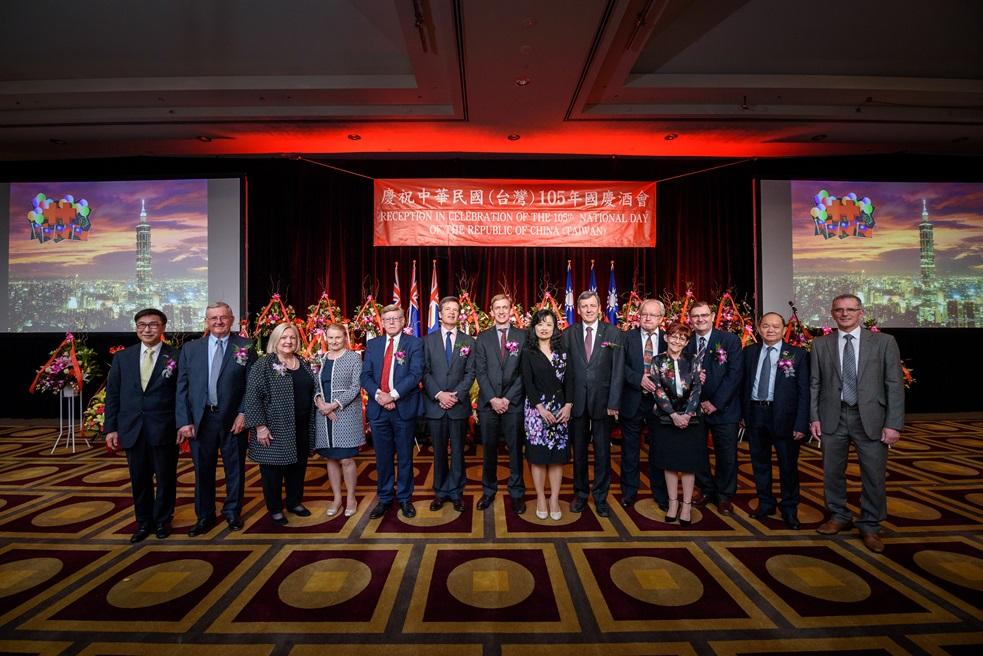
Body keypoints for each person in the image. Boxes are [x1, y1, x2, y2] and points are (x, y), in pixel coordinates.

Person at [810, 293, 904, 553]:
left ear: (861, 313)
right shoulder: (820, 344)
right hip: (833, 416)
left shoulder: (884, 342)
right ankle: (839, 516)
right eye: (839, 310)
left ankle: (870, 525)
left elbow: (894, 385)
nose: (844, 314)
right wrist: (814, 417)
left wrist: (893, 423)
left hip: (872, 419)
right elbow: (814, 384)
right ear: (832, 313)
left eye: (851, 309)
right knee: (831, 472)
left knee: (873, 475)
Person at [176, 301, 256, 535]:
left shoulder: (245, 346)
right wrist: (184, 420)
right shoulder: (191, 349)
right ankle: (204, 515)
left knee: (235, 469)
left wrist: (244, 413)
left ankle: (232, 512)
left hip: (233, 419)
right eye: (213, 318)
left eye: (223, 317)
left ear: (231, 320)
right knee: (203, 470)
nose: (219, 322)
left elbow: (251, 385)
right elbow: (182, 388)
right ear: (206, 321)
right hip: (202, 420)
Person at [104, 308, 181, 543]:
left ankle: (162, 521)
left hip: (164, 428)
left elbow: (182, 394)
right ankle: (143, 522)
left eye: (153, 324)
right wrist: (111, 428)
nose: (147, 329)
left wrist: (182, 425)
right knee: (139, 479)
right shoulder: (123, 358)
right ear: (137, 328)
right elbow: (113, 395)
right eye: (142, 325)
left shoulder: (176, 356)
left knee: (166, 478)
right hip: (132, 429)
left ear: (163, 328)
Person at [242, 322, 317, 525]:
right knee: (273, 472)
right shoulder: (264, 364)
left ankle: (294, 502)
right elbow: (252, 397)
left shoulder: (302, 362)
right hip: (273, 428)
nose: (288, 341)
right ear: (275, 341)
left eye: (292, 337)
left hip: (300, 426)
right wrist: (260, 427)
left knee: (297, 467)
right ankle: (275, 508)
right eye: (284, 337)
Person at [743, 312, 809, 529]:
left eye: (775, 326)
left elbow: (804, 392)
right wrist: (744, 415)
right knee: (760, 463)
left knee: (787, 466)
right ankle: (766, 503)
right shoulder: (750, 352)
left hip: (785, 419)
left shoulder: (797, 354)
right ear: (759, 329)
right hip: (756, 414)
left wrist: (801, 424)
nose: (770, 330)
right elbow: (743, 385)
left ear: (783, 329)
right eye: (765, 326)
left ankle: (789, 509)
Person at [361, 304, 424, 519]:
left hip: (403, 408)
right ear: (382, 322)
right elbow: (365, 376)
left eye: (395, 318)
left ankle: (405, 499)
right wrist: (380, 395)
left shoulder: (414, 344)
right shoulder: (373, 345)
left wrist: (393, 395)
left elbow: (415, 374)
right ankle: (385, 498)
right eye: (387, 319)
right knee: (383, 457)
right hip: (379, 410)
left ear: (403, 320)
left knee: (405, 457)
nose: (391, 322)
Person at [565, 290, 624, 518]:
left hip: (603, 402)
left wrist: (614, 402)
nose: (588, 310)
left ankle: (600, 497)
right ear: (577, 310)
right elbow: (565, 372)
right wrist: (566, 403)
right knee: (578, 452)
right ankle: (580, 494)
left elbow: (618, 369)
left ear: (599, 308)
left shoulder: (613, 333)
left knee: (602, 453)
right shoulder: (568, 334)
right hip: (577, 403)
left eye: (592, 306)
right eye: (584, 307)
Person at [685, 300, 743, 515]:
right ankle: (706, 489)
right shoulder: (687, 342)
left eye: (704, 315)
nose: (700, 319)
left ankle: (724, 496)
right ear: (690, 320)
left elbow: (735, 374)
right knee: (696, 452)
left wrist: (715, 403)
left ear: (711, 316)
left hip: (724, 409)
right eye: (695, 316)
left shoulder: (728, 340)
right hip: (694, 408)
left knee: (726, 454)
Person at [475, 294, 527, 514]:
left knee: (515, 450)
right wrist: (493, 399)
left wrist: (507, 399)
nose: (502, 311)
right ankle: (489, 491)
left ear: (511, 309)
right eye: (498, 308)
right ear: (491, 311)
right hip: (488, 405)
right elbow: (480, 371)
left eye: (505, 307)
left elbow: (525, 372)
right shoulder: (482, 338)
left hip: (513, 404)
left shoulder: (523, 336)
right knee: (489, 450)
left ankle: (516, 493)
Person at [423, 296, 476, 512]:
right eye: (447, 309)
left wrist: (455, 395)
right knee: (438, 452)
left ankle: (456, 492)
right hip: (436, 406)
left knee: (458, 452)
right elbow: (424, 371)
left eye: (455, 310)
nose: (451, 313)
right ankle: (440, 492)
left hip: (458, 405)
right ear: (440, 314)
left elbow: (471, 371)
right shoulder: (428, 340)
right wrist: (439, 394)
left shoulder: (469, 341)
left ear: (459, 314)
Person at [522, 309, 574, 520]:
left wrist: (569, 405)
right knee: (538, 458)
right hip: (536, 411)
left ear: (555, 328)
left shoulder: (563, 351)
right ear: (534, 327)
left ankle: (554, 499)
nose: (544, 328)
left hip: (561, 410)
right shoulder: (528, 352)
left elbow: (570, 380)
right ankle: (541, 498)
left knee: (556, 459)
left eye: (549, 324)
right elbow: (528, 383)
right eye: (540, 324)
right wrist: (540, 408)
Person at [651, 322, 704, 526]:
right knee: (669, 464)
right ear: (666, 338)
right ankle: (673, 504)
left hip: (691, 420)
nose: (677, 340)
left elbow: (697, 389)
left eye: (682, 338)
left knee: (688, 465)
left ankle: (687, 505)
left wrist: (688, 414)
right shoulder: (657, 361)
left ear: (687, 342)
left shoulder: (693, 360)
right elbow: (657, 389)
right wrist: (673, 414)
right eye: (673, 336)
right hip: (666, 419)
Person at [620, 299, 668, 510]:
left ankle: (661, 494)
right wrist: (638, 378)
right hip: (633, 400)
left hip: (661, 403)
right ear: (638, 316)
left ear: (661, 318)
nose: (647, 318)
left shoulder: (669, 339)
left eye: (653, 315)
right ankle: (629, 492)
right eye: (644, 314)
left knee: (659, 450)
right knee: (630, 451)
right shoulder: (626, 337)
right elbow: (619, 366)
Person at [313, 323, 364, 518]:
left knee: (346, 458)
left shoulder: (353, 358)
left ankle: (351, 497)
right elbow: (314, 384)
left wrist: (333, 405)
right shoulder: (322, 358)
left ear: (345, 338)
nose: (334, 341)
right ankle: (336, 498)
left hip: (345, 414)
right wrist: (320, 403)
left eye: (338, 338)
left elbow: (355, 387)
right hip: (323, 414)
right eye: (331, 338)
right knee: (331, 458)